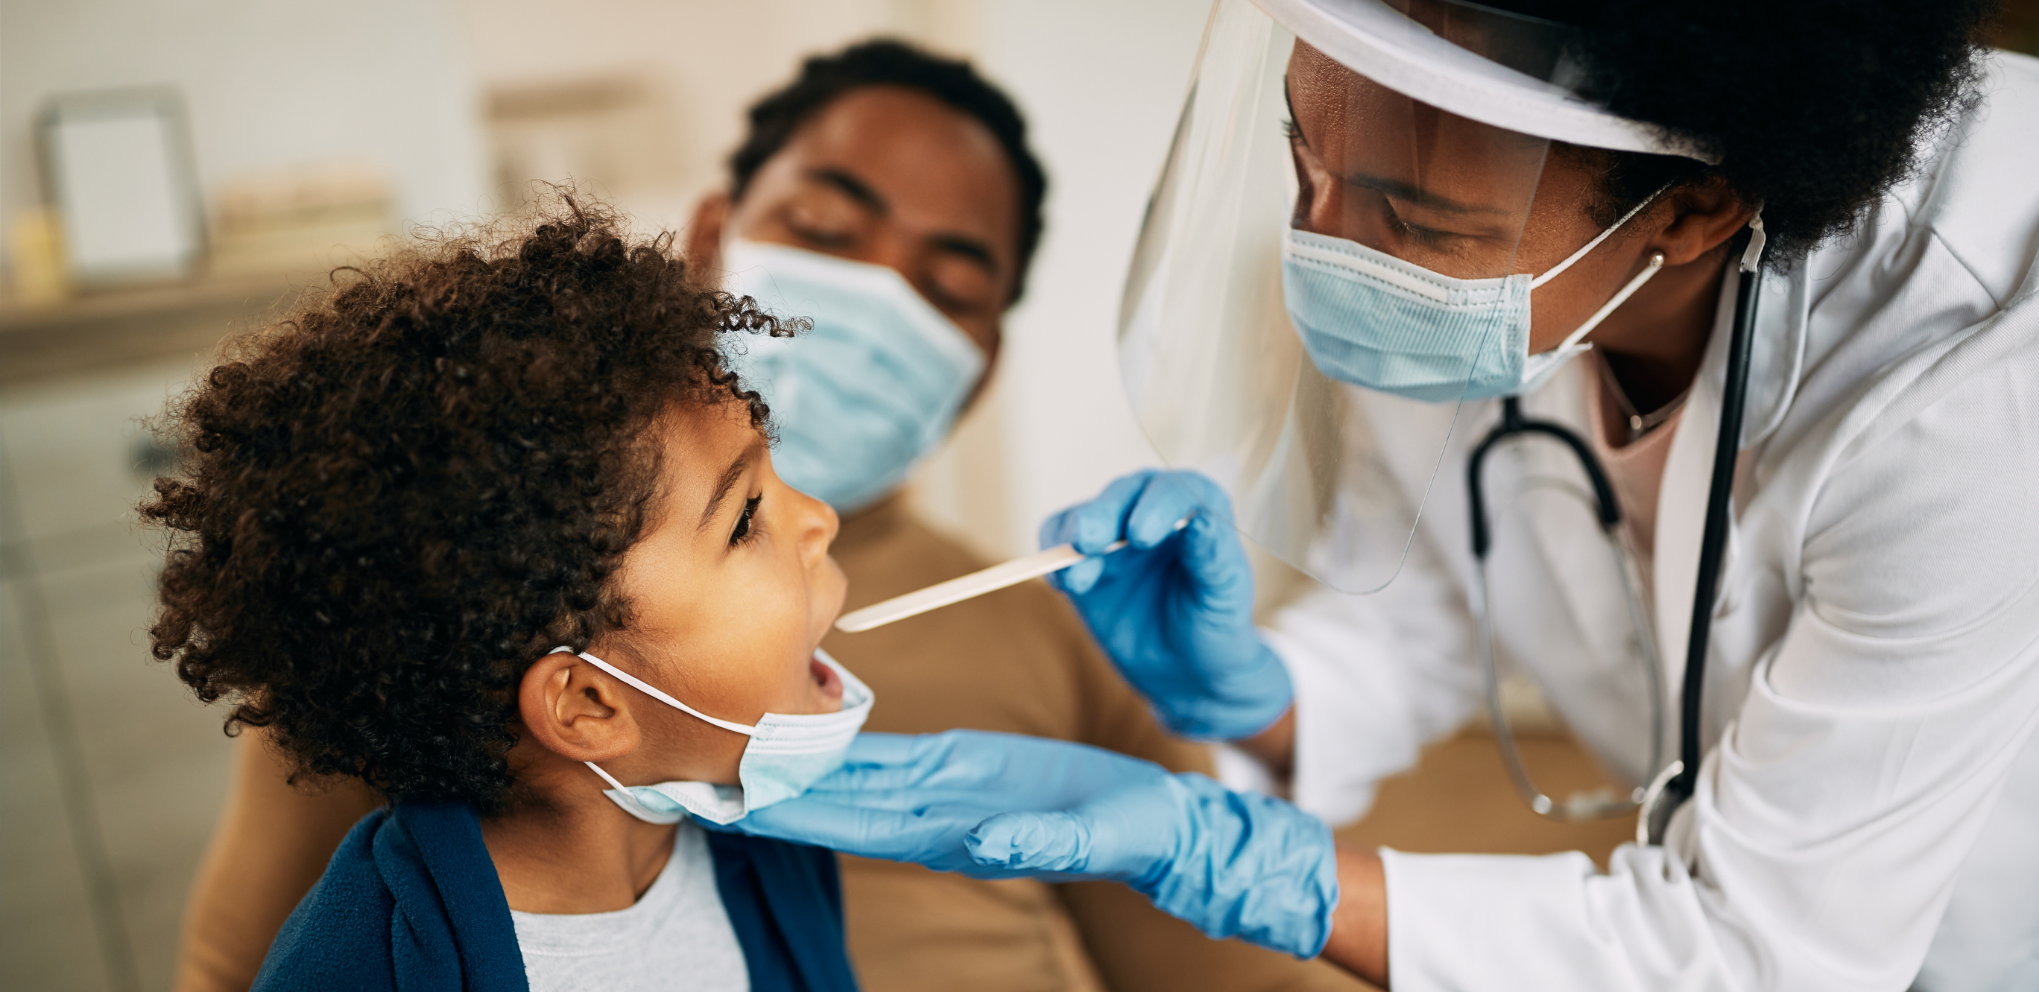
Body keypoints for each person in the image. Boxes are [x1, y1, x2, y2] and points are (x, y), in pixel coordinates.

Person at [707, 3, 2039, 991]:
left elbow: (1756, 950)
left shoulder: (1970, 386)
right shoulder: (1467, 250)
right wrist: (1252, 701)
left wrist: (1229, 859)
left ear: (1690, 213)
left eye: (1416, 227)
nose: (1330, 254)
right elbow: (1437, 607)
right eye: (1304, 168)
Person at [172, 40, 1361, 992]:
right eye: (829, 231)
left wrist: (1242, 754)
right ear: (710, 238)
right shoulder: (420, 610)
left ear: (984, 358)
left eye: (948, 288)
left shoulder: (1055, 631)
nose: (816, 523)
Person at [143, 200, 858, 991]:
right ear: (587, 702)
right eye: (744, 519)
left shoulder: (771, 852)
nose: (820, 519)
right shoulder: (356, 972)